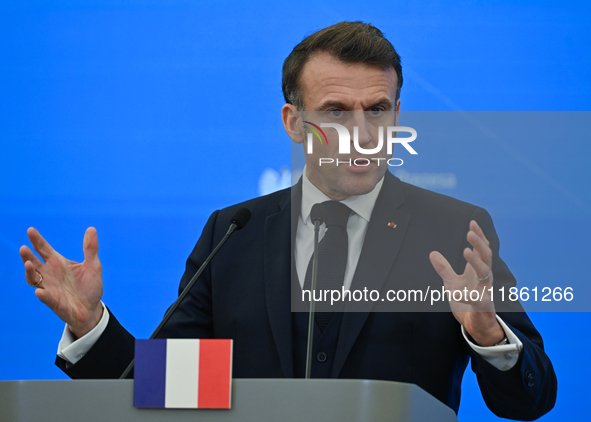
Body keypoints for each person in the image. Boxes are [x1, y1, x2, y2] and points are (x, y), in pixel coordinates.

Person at [20, 21, 556, 419]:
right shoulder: (233, 233)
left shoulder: (451, 227)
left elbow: (532, 398)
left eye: (378, 109)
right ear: (294, 123)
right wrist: (92, 327)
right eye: (336, 111)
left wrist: (486, 332)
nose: (363, 132)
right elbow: (167, 388)